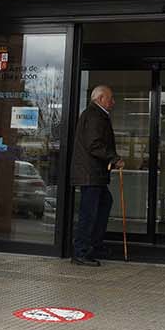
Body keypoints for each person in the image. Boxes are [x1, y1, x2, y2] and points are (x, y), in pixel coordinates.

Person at [70, 85, 122, 266]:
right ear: (100, 99)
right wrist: (114, 158)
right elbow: (94, 144)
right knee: (89, 213)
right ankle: (81, 252)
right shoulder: (94, 115)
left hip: (94, 174)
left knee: (104, 203)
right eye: (110, 98)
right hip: (90, 174)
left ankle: (94, 245)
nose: (113, 102)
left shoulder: (97, 115)